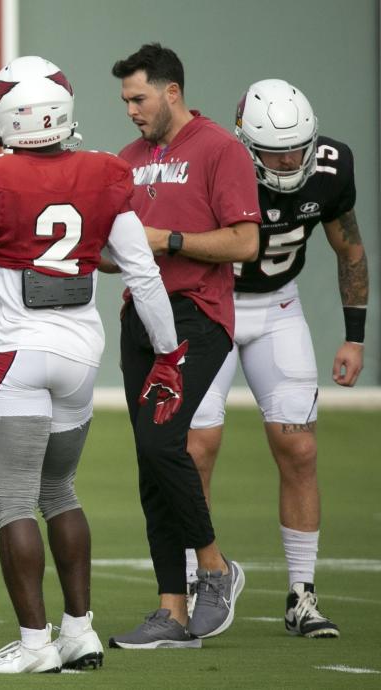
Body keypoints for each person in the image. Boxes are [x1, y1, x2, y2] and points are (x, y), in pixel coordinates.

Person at [0, 55, 184, 674]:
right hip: (81, 354)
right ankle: (80, 632)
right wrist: (170, 354)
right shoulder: (106, 171)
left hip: (17, 353)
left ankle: (35, 644)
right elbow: (144, 275)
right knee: (61, 491)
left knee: (15, 502)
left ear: (7, 115)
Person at [185, 79, 367, 639]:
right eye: (274, 151)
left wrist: (353, 335)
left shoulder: (331, 168)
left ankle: (302, 595)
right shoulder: (211, 161)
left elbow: (349, 247)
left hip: (280, 308)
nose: (289, 160)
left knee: (300, 447)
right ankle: (197, 582)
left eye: (297, 147)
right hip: (212, 305)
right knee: (196, 447)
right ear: (244, 143)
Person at [106, 43, 261, 649]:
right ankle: (171, 611)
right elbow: (118, 254)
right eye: (125, 101)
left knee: (160, 439)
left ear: (172, 91)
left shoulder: (221, 149)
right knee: (150, 461)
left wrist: (163, 239)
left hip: (197, 316)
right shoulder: (125, 160)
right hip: (138, 319)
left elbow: (245, 243)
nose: (131, 111)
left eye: (138, 98)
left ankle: (216, 570)